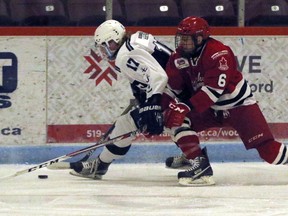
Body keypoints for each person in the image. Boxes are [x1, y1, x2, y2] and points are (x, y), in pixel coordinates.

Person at [162, 16, 288, 186]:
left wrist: (184, 106)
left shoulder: (218, 53)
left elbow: (213, 91)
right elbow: (171, 88)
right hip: (209, 110)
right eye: (181, 38)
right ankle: (197, 161)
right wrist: (160, 108)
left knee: (270, 153)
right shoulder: (178, 57)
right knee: (174, 120)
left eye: (187, 39)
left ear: (200, 38)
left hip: (238, 106)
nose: (182, 43)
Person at [70, 19, 173, 179]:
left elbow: (158, 77)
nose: (104, 51)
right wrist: (142, 98)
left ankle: (99, 165)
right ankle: (191, 156)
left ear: (115, 40)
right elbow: (148, 74)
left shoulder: (125, 55)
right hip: (181, 87)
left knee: (126, 123)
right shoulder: (135, 39)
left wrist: (152, 103)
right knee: (135, 120)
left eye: (106, 45)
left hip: (176, 93)